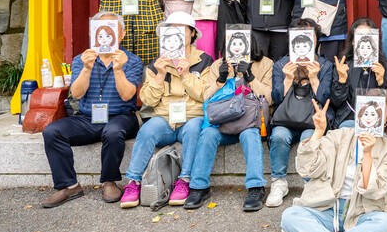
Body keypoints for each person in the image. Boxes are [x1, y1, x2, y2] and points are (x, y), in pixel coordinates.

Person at [280, 100, 387, 232]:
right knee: (289, 216)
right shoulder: (339, 136)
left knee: (385, 224)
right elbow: (308, 169)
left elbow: (374, 192)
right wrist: (318, 133)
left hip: (361, 214)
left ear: (385, 119)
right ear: (358, 113)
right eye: (365, 112)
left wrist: (367, 154)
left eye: (375, 113)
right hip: (327, 209)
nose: (369, 117)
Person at [41, 12, 143, 207]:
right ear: (93, 33)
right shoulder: (81, 59)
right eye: (100, 31)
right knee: (52, 132)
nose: (105, 36)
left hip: (121, 116)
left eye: (111, 30)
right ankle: (69, 185)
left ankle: (109, 181)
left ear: (121, 34)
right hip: (87, 118)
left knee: (113, 131)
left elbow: (127, 95)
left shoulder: (131, 60)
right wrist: (86, 68)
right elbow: (77, 93)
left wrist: (118, 69)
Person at [120, 13, 213, 208]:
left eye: (181, 29)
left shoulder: (204, 60)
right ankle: (133, 181)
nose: (176, 33)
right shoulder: (157, 63)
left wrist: (186, 75)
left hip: (192, 116)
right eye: (171, 29)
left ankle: (185, 180)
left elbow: (205, 95)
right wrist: (160, 76)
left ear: (192, 33)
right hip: (163, 118)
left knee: (195, 129)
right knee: (147, 130)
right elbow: (148, 100)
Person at [183, 37, 274, 211]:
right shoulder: (218, 64)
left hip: (249, 121)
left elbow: (269, 99)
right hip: (223, 121)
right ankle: (199, 186)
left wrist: (250, 77)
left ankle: (256, 187)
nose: (237, 46)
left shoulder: (265, 63)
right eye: (233, 43)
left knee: (250, 135)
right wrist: (221, 79)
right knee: (208, 133)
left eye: (241, 42)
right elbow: (206, 97)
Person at [266, 18, 333, 208]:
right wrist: (288, 79)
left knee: (309, 138)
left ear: (315, 40)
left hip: (312, 119)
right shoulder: (282, 64)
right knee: (279, 136)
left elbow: (326, 99)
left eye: (309, 37)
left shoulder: (325, 65)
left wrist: (314, 78)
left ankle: (309, 183)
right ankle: (279, 182)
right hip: (285, 118)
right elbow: (276, 98)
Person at [330, 19, 387, 130]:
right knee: (349, 127)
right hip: (349, 118)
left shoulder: (384, 64)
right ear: (352, 41)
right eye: (359, 36)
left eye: (369, 36)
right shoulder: (343, 64)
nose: (364, 39)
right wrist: (341, 81)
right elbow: (336, 102)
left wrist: (381, 81)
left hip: (376, 119)